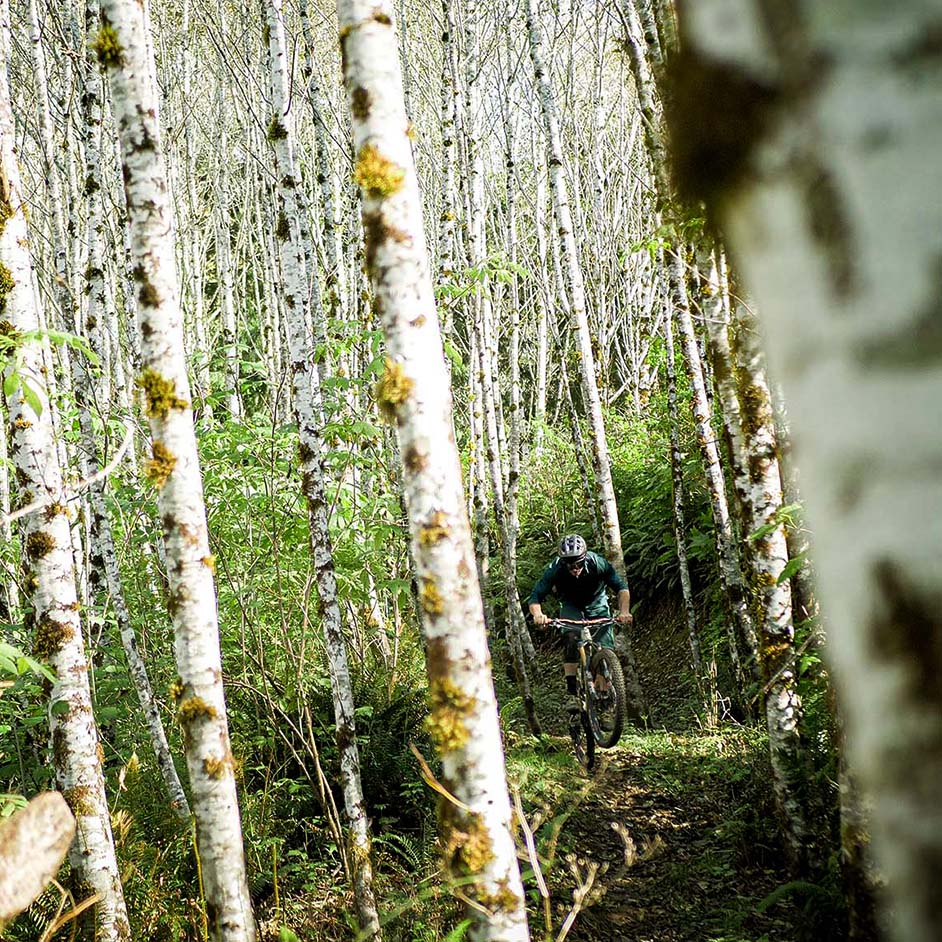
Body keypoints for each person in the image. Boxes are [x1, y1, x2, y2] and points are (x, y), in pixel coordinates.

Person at [528, 534, 633, 711]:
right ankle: (572, 694)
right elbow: (535, 596)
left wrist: (624, 611)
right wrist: (538, 615)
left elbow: (621, 588)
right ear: (563, 562)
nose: (574, 569)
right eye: (570, 565)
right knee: (570, 638)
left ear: (584, 558)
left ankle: (605, 700)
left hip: (597, 604)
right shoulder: (555, 569)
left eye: (578, 563)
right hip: (570, 605)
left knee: (605, 649)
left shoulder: (597, 563)